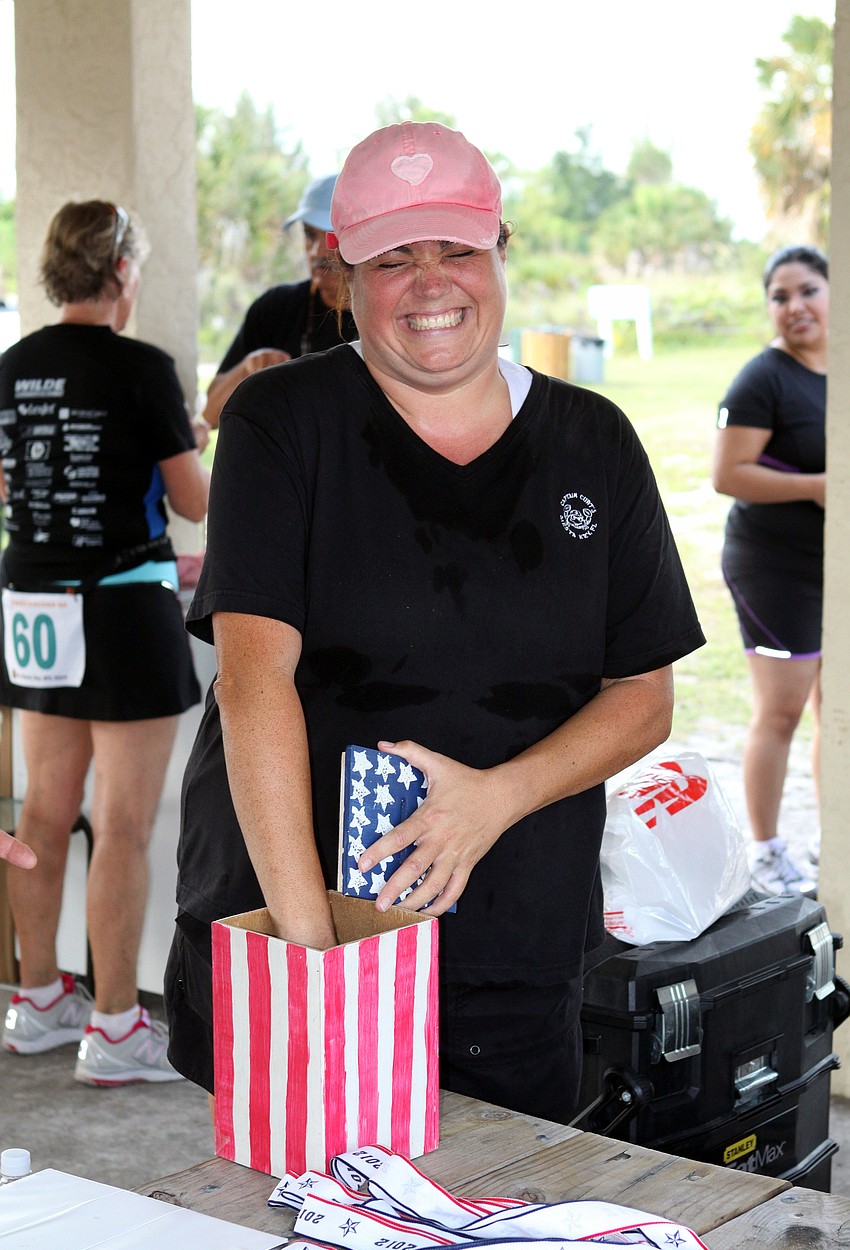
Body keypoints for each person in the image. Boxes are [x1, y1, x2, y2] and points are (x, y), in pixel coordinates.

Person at [165, 122, 704, 1123]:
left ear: (499, 251)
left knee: (495, 1206)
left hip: (511, 938)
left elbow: (642, 698)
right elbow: (252, 681)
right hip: (295, 911)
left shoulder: (593, 442)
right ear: (341, 278)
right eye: (391, 258)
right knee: (286, 1224)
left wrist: (495, 800)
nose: (429, 282)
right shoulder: (281, 424)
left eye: (455, 248)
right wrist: (318, 963)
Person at [0, 200, 210, 1083]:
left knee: (43, 814)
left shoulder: (11, 366)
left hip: (31, 601)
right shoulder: (142, 369)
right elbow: (193, 500)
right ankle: (117, 1027)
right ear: (122, 270)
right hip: (125, 606)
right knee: (120, 823)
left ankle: (38, 999)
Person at [712, 244, 827, 897]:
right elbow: (727, 473)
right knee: (780, 712)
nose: (795, 306)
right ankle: (766, 850)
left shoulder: (833, 370)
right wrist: (816, 486)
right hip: (772, 567)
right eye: (780, 297)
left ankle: (826, 836)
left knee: (832, 710)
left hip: (829, 566)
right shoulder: (763, 378)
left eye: (808, 289)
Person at [201, 173, 358, 429]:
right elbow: (210, 414)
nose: (316, 251)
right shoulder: (276, 308)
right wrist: (249, 369)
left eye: (330, 236)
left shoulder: (382, 310)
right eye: (309, 235)